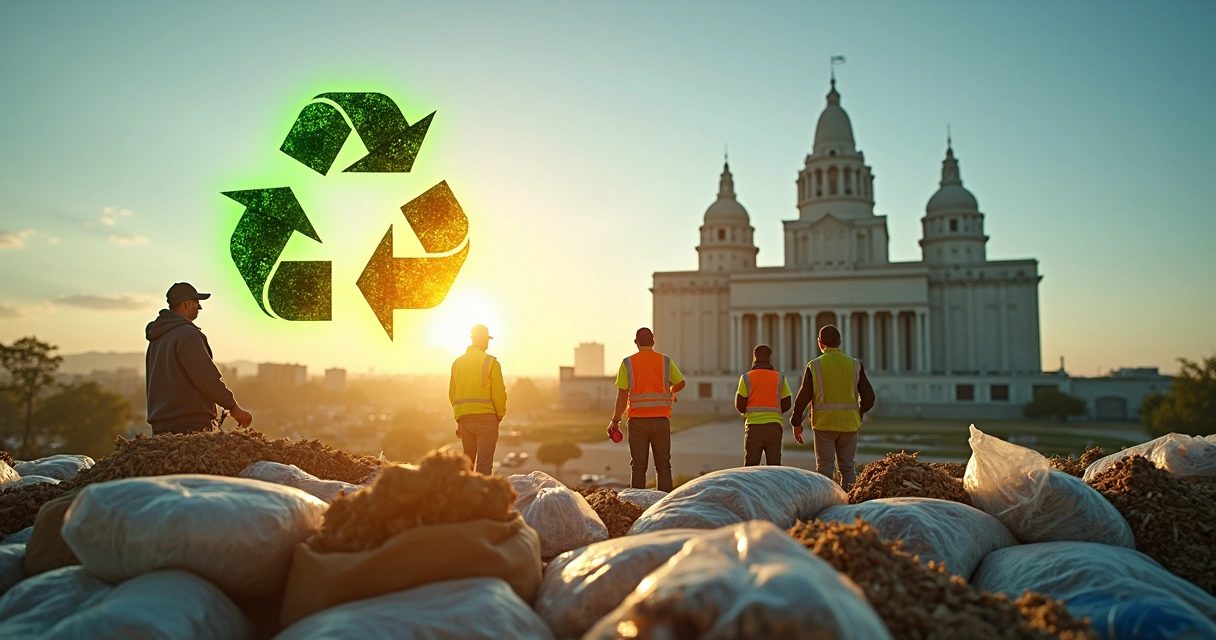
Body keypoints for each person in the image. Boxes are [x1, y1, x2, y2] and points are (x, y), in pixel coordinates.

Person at [145, 282, 252, 435]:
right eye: (197, 304)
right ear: (186, 304)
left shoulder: (157, 338)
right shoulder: (188, 335)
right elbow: (207, 379)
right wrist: (233, 407)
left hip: (161, 427)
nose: (199, 308)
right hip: (189, 423)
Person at [790, 325, 875, 490]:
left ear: (820, 343)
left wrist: (796, 422)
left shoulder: (814, 366)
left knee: (825, 468)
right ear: (839, 343)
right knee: (847, 467)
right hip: (849, 425)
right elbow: (870, 398)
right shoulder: (854, 365)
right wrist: (859, 412)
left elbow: (802, 399)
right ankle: (849, 506)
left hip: (824, 425)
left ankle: (826, 505)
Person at [607, 327, 685, 492]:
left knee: (638, 467)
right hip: (661, 420)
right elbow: (681, 382)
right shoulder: (665, 361)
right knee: (663, 465)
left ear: (636, 343)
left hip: (637, 422)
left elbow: (622, 395)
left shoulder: (627, 363)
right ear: (653, 341)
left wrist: (615, 420)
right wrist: (670, 391)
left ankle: (636, 505)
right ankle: (664, 504)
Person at [449, 324, 506, 475]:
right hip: (486, 419)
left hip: (465, 420)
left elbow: (452, 394)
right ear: (481, 340)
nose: (488, 343)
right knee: (484, 466)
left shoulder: (457, 363)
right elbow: (499, 393)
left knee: (467, 465)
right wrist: (500, 415)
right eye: (487, 339)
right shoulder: (492, 362)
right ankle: (482, 497)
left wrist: (459, 419)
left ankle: (466, 496)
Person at [735, 345, 793, 466]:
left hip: (753, 428)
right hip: (774, 427)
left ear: (754, 357)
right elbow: (787, 403)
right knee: (774, 467)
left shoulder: (746, 378)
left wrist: (748, 413)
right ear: (769, 358)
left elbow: (739, 405)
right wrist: (774, 413)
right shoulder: (779, 378)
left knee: (750, 468)